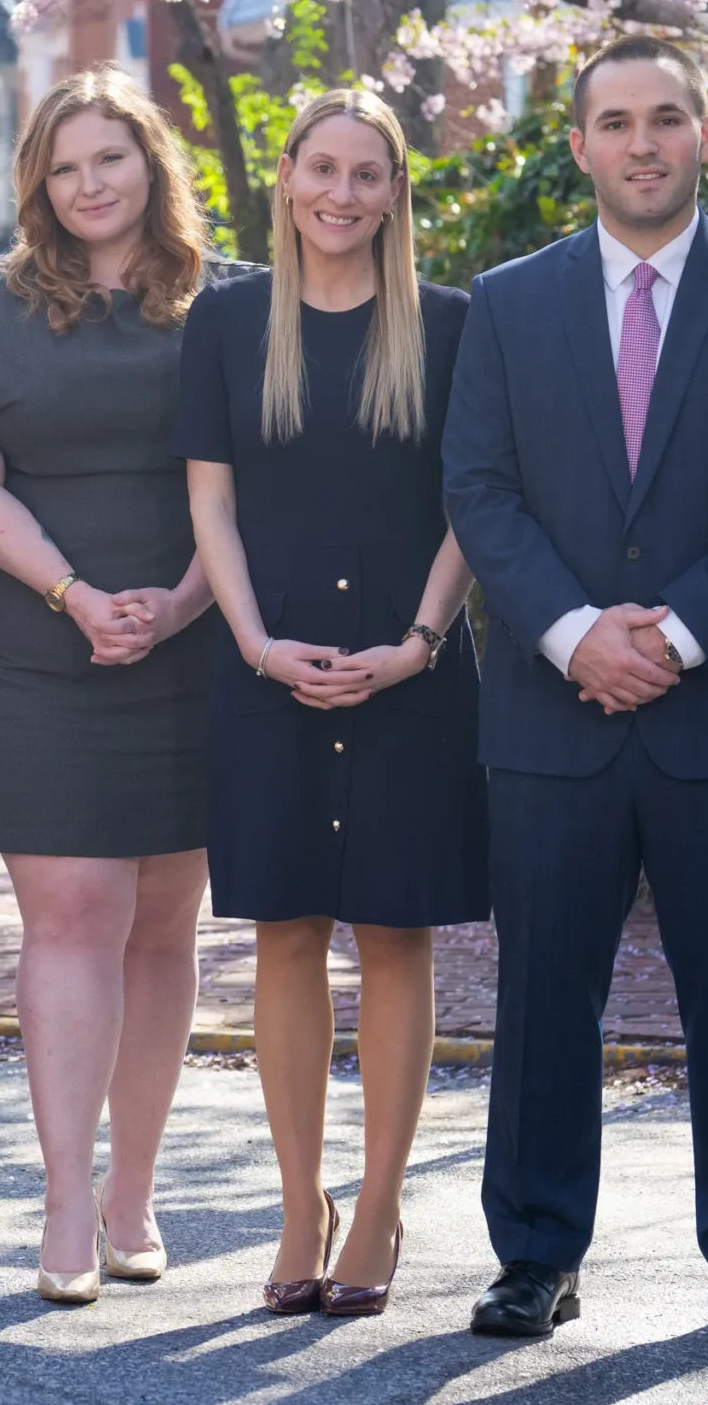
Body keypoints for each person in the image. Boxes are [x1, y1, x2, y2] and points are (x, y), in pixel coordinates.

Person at [443, 35, 708, 1346]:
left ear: (706, 134)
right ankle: (534, 1253)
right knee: (543, 993)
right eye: (615, 122)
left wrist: (677, 636)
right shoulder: (508, 303)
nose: (642, 142)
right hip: (552, 711)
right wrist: (572, 635)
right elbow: (479, 488)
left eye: (666, 117)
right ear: (579, 146)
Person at [178, 89, 487, 1318]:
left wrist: (420, 641)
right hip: (270, 673)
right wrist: (256, 643)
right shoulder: (226, 322)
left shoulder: (451, 326)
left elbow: (472, 503)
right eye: (323, 170)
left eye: (367, 175)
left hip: (410, 678)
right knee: (286, 932)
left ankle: (378, 1206)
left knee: (396, 936)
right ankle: (298, 1202)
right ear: (288, 178)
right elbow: (210, 503)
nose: (341, 195)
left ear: (395, 192)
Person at [0, 65, 218, 1305]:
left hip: (195, 631)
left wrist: (183, 603)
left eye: (112, 157)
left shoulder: (229, 304)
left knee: (164, 921)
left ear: (153, 163)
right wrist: (77, 596)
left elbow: (255, 475)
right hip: (41, 639)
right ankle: (60, 1200)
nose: (91, 183)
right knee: (73, 912)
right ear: (37, 183)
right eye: (65, 166)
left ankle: (132, 1194)